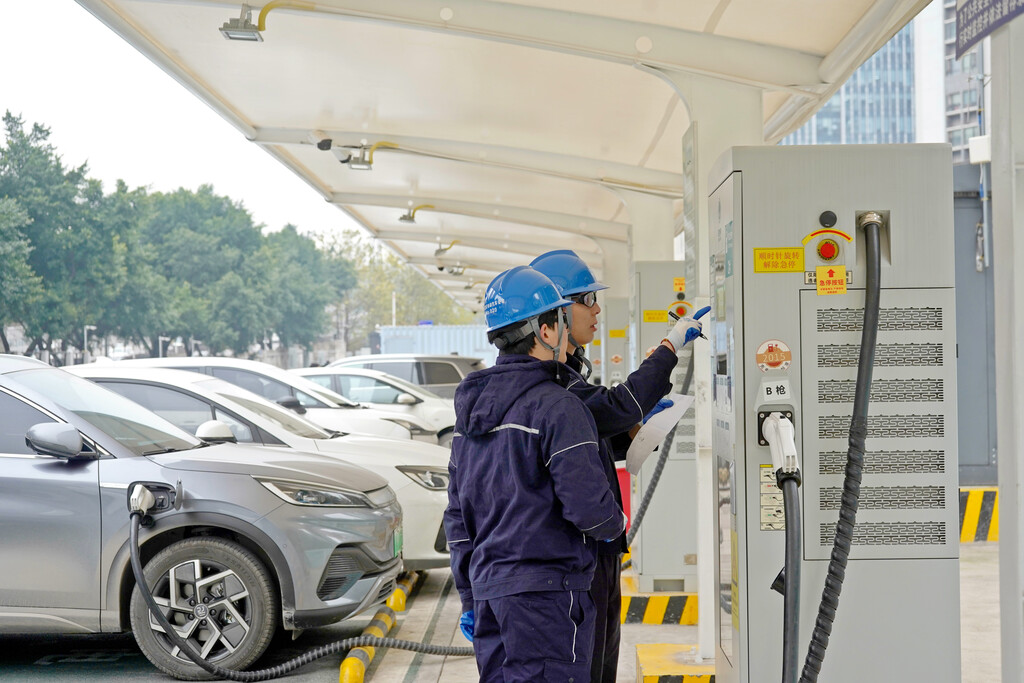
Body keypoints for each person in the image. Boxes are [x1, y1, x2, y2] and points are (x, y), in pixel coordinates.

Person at [530, 249, 707, 683]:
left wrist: (629, 436)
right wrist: (668, 348)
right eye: (586, 300)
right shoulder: (552, 386)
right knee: (589, 665)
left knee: (603, 663)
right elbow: (616, 406)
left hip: (598, 555)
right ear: (554, 316)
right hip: (579, 555)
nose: (596, 309)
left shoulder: (568, 374)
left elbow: (590, 435)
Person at [443, 265, 627, 683]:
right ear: (545, 331)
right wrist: (617, 523)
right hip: (550, 600)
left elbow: (457, 517)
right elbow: (590, 510)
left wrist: (470, 596)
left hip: (490, 596)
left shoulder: (470, 415)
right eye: (562, 318)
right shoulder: (560, 407)